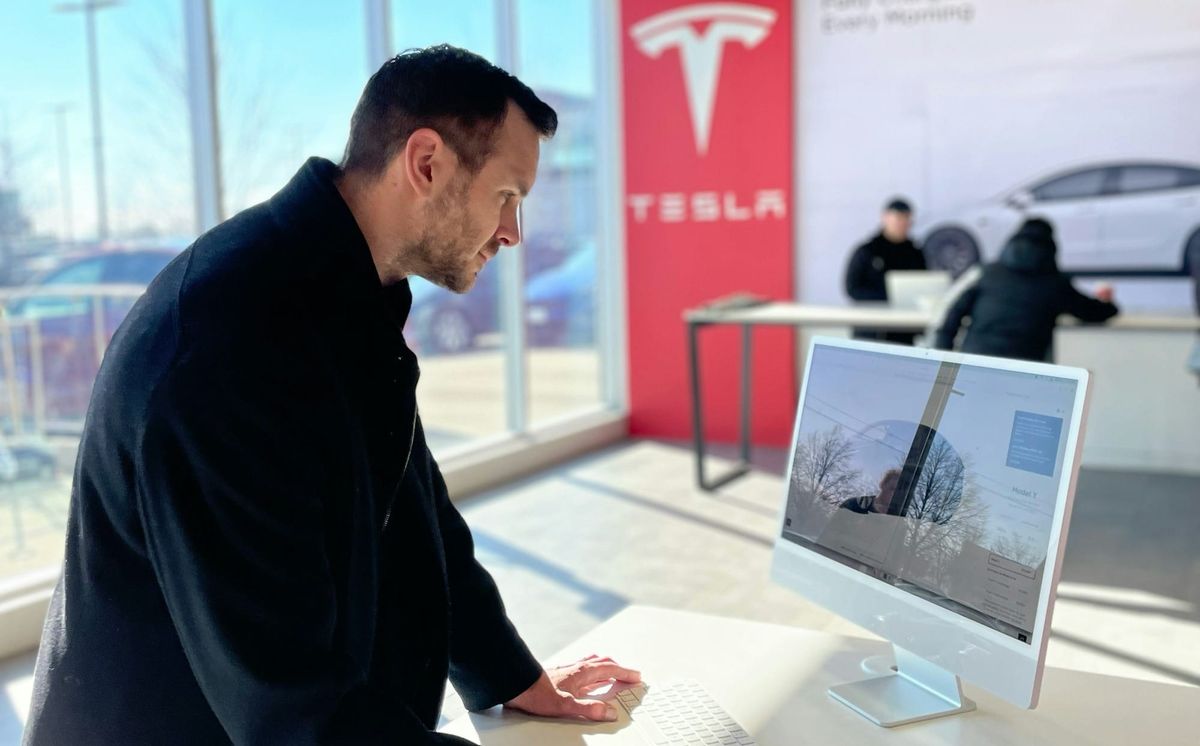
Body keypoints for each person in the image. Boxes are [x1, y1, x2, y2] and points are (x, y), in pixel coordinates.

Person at [24, 46, 639, 745]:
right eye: (507, 196)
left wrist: (515, 679)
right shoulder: (229, 346)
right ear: (427, 163)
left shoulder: (345, 294)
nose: (512, 233)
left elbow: (419, 521)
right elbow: (291, 706)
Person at [934, 217, 1118, 362]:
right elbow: (1095, 312)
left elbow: (953, 314)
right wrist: (1108, 303)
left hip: (976, 359)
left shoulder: (988, 273)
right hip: (1025, 368)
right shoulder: (1055, 284)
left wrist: (944, 357)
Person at [844, 197, 927, 344]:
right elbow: (852, 289)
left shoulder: (915, 253)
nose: (901, 223)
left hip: (903, 331)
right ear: (885, 218)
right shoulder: (867, 251)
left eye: (906, 219)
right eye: (897, 218)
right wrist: (888, 298)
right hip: (871, 329)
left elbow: (924, 285)